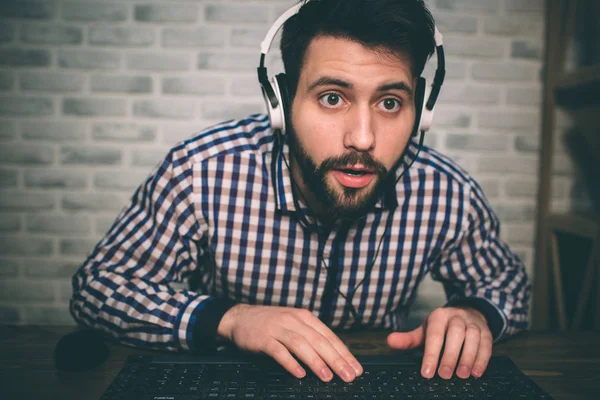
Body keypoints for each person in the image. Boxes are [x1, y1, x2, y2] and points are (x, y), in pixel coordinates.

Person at [70, 0, 531, 384]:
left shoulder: (444, 191)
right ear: (282, 101)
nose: (364, 139)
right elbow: (98, 288)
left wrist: (475, 313)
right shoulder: (201, 173)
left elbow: (508, 285)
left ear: (422, 111)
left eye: (390, 103)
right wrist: (231, 320)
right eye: (333, 97)